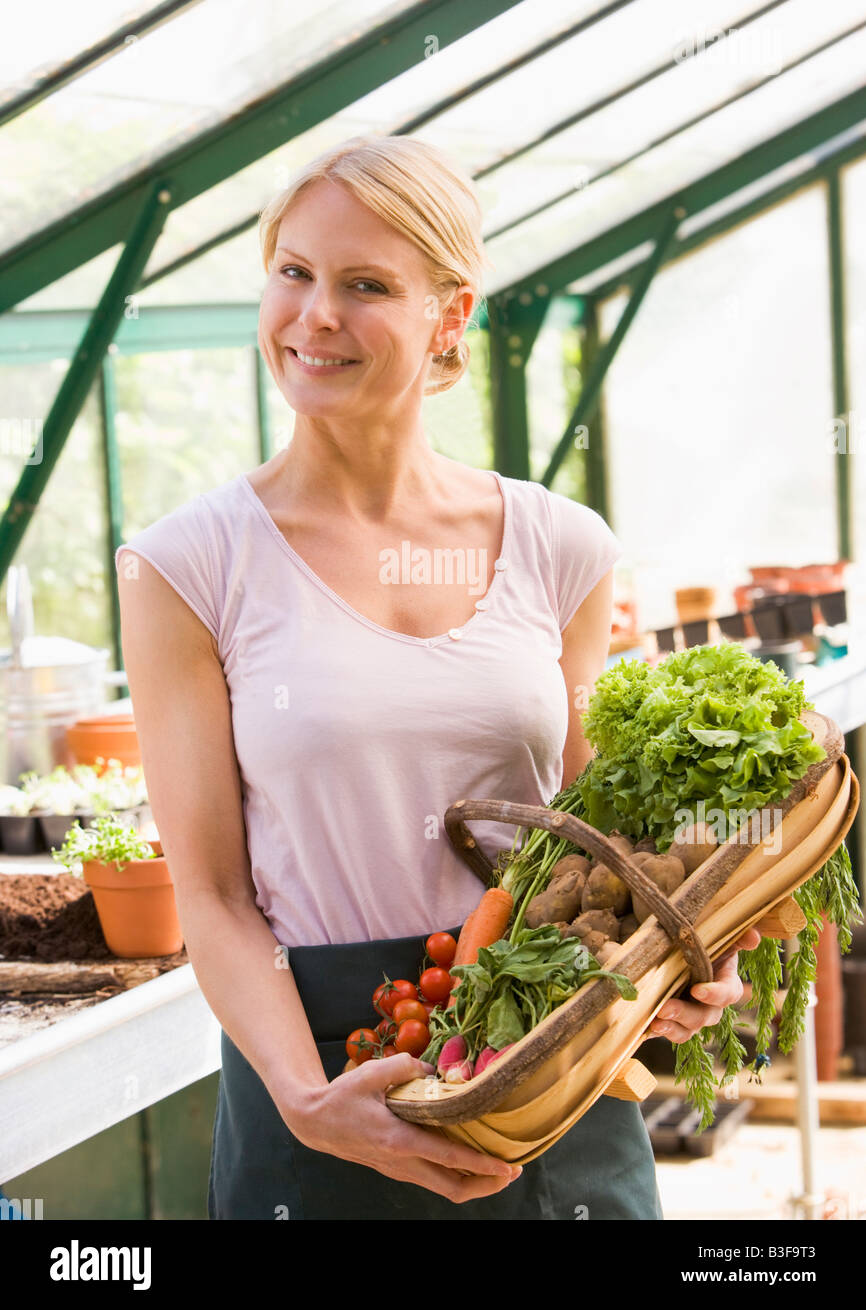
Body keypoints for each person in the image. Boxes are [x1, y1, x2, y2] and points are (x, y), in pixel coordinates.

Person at [115, 134, 758, 1220]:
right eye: (293, 272)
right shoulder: (189, 564)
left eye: (364, 285)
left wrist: (675, 962)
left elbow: (606, 848)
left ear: (448, 316)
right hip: (327, 1073)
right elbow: (215, 897)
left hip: (553, 1070)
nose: (315, 315)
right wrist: (307, 1100)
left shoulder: (558, 544)